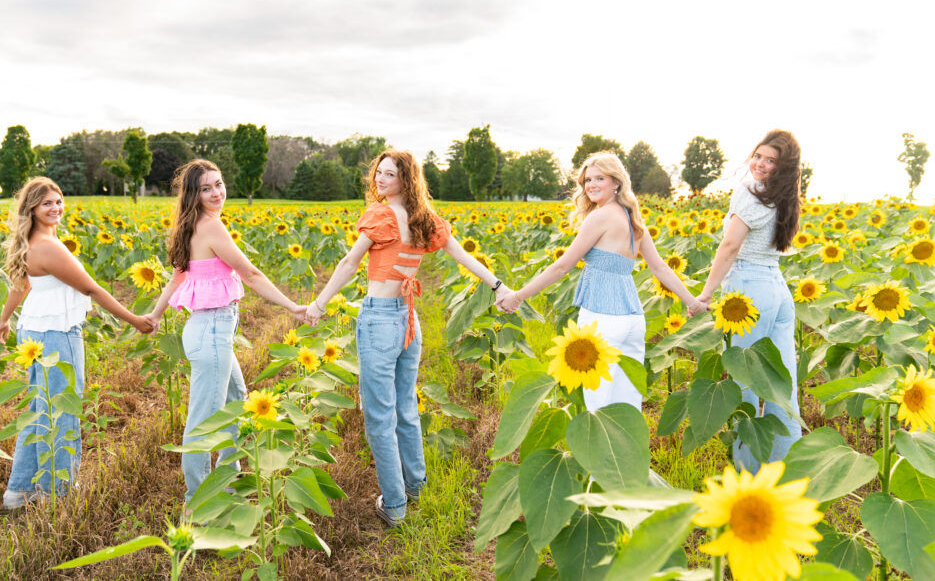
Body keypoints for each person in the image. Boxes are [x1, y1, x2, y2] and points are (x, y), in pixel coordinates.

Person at [305, 150, 511, 527]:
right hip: (408, 320)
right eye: (378, 173)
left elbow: (350, 263)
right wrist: (497, 285)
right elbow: (462, 255)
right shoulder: (424, 219)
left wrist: (319, 303)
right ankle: (416, 486)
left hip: (382, 320)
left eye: (389, 175)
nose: (381, 180)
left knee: (380, 417)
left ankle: (396, 505)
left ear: (405, 180)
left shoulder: (381, 216)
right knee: (405, 408)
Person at [148, 159, 308, 504]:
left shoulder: (190, 225)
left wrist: (157, 314)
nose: (217, 193)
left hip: (207, 329)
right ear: (194, 193)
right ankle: (199, 499)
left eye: (219, 184)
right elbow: (250, 274)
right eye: (206, 188)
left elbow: (178, 276)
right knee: (204, 421)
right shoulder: (210, 228)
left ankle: (229, 479)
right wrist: (292, 306)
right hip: (212, 330)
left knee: (238, 402)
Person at [497, 152, 707, 412]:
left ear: (616, 182)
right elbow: (660, 268)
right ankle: (628, 452)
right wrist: (693, 302)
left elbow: (563, 265)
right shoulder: (633, 218)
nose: (591, 185)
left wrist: (518, 296)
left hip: (603, 317)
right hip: (632, 319)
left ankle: (602, 453)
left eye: (600, 178)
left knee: (598, 405)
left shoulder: (600, 217)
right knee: (627, 404)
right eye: (587, 180)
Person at [0, 177, 154, 509]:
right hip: (57, 333)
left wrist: (5, 319)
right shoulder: (48, 246)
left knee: (40, 407)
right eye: (46, 203)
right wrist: (135, 320)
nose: (55, 208)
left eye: (58, 201)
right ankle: (57, 492)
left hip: (34, 330)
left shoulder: (35, 240)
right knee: (63, 410)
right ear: (33, 209)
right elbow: (92, 289)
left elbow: (21, 287)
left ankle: (19, 491)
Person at [694, 130, 802, 471]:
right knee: (781, 386)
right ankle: (785, 474)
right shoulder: (784, 199)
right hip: (778, 290)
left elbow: (729, 246)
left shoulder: (750, 193)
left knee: (744, 386)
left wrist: (707, 293)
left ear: (783, 169)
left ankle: (747, 476)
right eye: (758, 156)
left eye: (771, 161)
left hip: (750, 290)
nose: (760, 164)